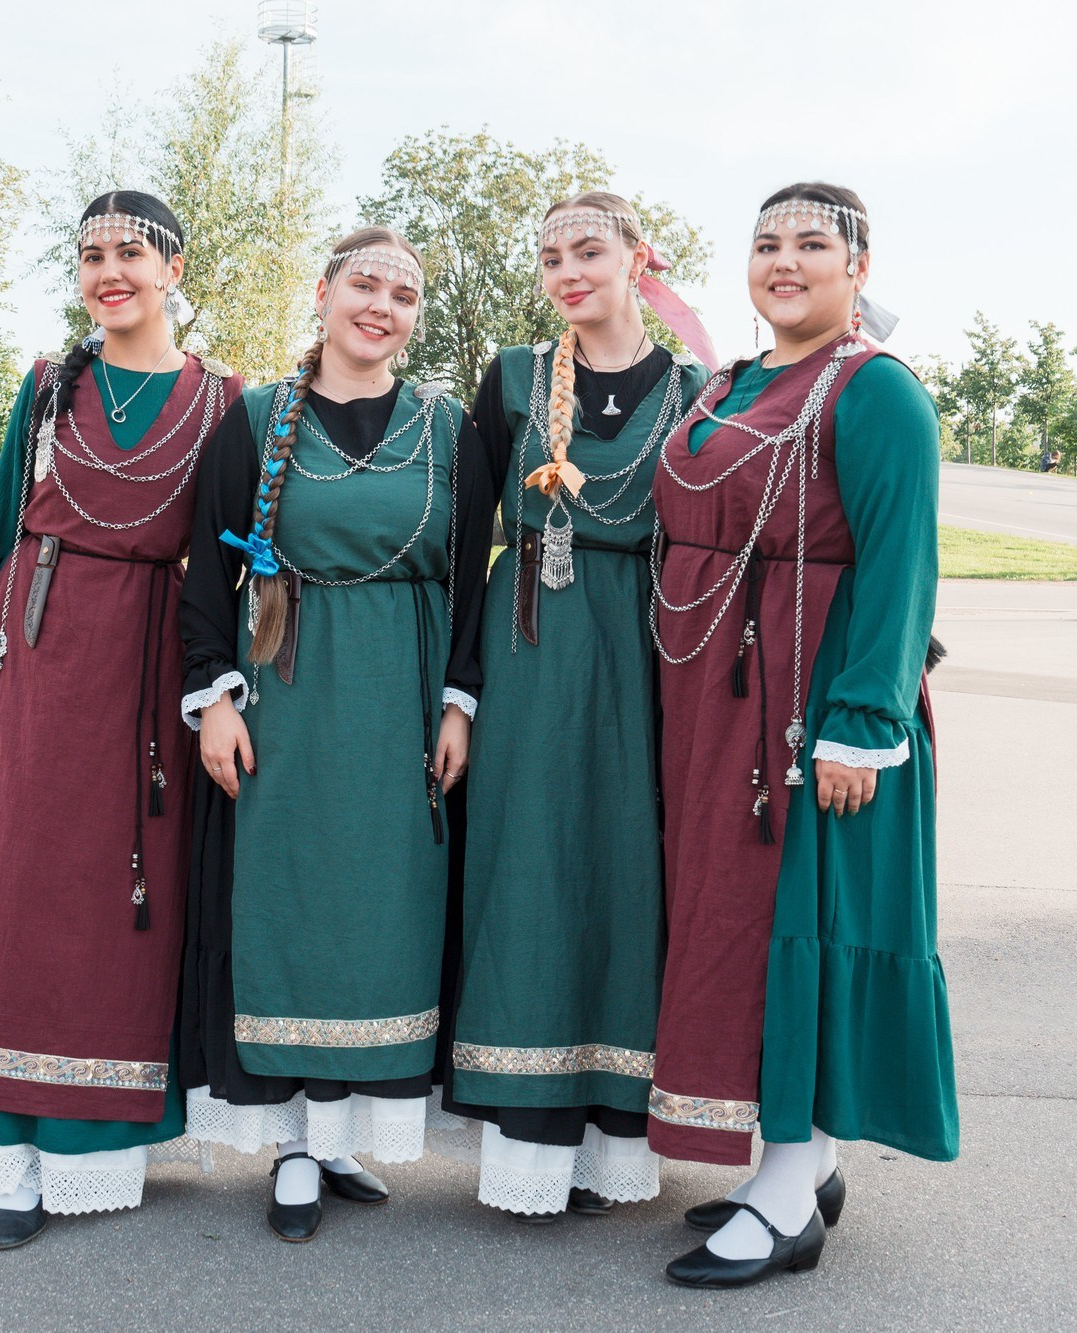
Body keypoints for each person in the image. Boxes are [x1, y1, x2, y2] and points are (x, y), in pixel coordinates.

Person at [0, 191, 243, 1250]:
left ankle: (95, 1148)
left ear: (173, 270)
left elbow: (234, 560)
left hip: (147, 672)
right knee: (17, 891)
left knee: (121, 901)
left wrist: (221, 690)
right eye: (90, 255)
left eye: (130, 253)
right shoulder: (49, 388)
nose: (109, 272)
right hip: (33, 661)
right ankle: (8, 1152)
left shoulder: (227, 402)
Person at [649, 183, 955, 1289]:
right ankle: (802, 1158)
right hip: (717, 704)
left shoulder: (874, 392)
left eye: (811, 244)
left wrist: (857, 726)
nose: (785, 261)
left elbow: (899, 567)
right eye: (766, 242)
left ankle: (786, 1198)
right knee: (736, 927)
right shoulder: (733, 381)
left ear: (855, 270)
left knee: (793, 927)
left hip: (810, 708)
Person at [178, 227, 494, 1243]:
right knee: (293, 897)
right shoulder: (257, 418)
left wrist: (457, 701)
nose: (382, 306)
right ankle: (295, 1147)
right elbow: (201, 577)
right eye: (364, 284)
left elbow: (471, 582)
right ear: (322, 293)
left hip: (400, 688)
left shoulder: (448, 428)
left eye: (402, 294)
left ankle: (348, 1131)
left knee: (385, 903)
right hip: (285, 688)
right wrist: (213, 699)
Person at [442, 192, 711, 1222]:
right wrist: (457, 692)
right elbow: (468, 545)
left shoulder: (698, 390)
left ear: (638, 258)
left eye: (587, 250)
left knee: (628, 875)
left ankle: (615, 1140)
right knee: (528, 870)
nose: (566, 269)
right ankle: (529, 1136)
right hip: (529, 655)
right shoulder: (513, 379)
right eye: (549, 254)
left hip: (646, 657)